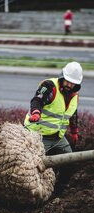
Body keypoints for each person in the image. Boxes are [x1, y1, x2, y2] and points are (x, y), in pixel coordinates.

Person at [24, 61, 83, 189]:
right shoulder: (49, 86)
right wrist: (36, 112)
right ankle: (32, 189)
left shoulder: (74, 96)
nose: (69, 85)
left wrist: (74, 132)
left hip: (57, 136)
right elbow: (37, 100)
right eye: (67, 81)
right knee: (33, 165)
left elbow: (73, 114)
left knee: (69, 159)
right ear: (62, 76)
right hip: (38, 134)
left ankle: (61, 187)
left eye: (73, 83)